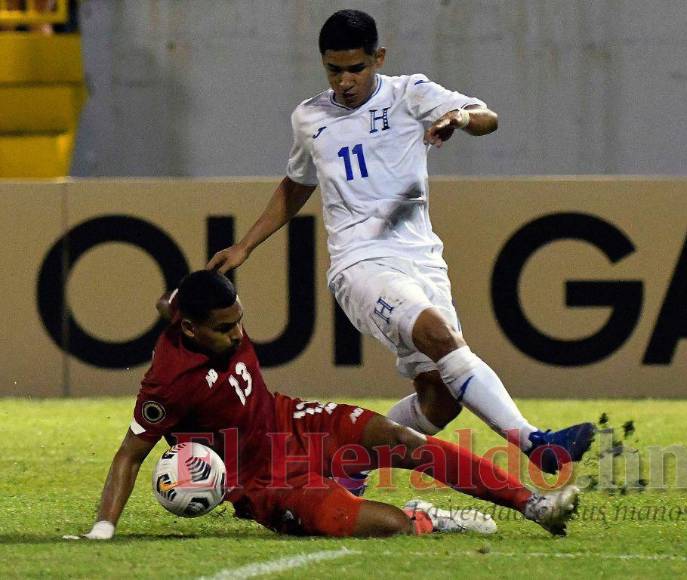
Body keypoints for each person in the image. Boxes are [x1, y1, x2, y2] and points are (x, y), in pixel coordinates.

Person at [207, 9, 594, 486]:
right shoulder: (310, 117)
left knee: (440, 398)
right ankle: (537, 444)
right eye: (334, 69)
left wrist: (460, 117)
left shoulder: (411, 94)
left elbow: (488, 119)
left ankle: (347, 461)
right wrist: (246, 245)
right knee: (438, 335)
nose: (345, 81)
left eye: (357, 68)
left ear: (379, 58)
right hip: (360, 263)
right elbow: (296, 184)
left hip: (421, 259)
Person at [69, 270, 579, 541]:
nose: (238, 333)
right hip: (263, 483)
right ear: (189, 329)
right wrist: (103, 529)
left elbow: (170, 302)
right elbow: (129, 454)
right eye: (225, 329)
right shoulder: (167, 383)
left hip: (292, 419)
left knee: (404, 441)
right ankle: (425, 518)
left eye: (239, 320)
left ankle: (534, 506)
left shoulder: (195, 310)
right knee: (386, 527)